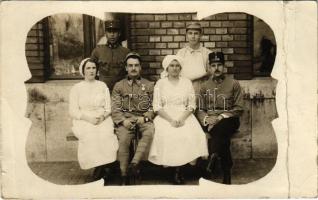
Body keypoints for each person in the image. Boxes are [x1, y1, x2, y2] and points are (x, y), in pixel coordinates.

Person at [149, 55, 208, 185]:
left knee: (188, 133)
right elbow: (157, 106)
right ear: (167, 68)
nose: (175, 68)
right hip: (165, 115)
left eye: (177, 66)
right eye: (172, 66)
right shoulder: (160, 83)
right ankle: (170, 168)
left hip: (184, 114)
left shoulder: (186, 82)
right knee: (166, 134)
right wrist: (171, 120)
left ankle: (179, 170)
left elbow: (192, 105)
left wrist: (181, 118)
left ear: (180, 68)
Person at [69, 58, 119, 186]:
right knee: (90, 134)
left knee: (105, 134)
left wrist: (102, 117)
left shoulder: (102, 86)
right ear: (83, 71)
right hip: (84, 119)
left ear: (97, 70)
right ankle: (100, 169)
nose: (91, 71)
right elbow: (73, 111)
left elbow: (109, 107)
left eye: (93, 68)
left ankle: (101, 170)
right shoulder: (77, 88)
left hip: (102, 117)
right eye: (88, 68)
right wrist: (89, 119)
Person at [196, 52, 244, 184]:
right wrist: (207, 119)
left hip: (229, 119)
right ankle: (226, 171)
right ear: (209, 68)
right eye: (213, 65)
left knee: (221, 127)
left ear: (224, 67)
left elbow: (239, 108)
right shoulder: (204, 86)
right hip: (210, 120)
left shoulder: (234, 84)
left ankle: (212, 156)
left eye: (219, 65)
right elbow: (200, 108)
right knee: (222, 137)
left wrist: (220, 117)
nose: (216, 68)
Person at [111, 52, 155, 185]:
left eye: (136, 65)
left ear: (140, 67)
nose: (133, 68)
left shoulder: (149, 85)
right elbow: (115, 107)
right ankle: (124, 174)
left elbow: (154, 105)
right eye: (130, 66)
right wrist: (123, 121)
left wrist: (146, 118)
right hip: (125, 119)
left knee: (149, 131)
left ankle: (134, 163)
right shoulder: (119, 86)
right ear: (126, 68)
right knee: (124, 139)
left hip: (142, 119)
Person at [91, 20, 130, 91]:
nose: (112, 34)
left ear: (119, 33)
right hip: (102, 89)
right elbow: (92, 71)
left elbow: (129, 73)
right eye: (109, 31)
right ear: (105, 33)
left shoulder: (126, 52)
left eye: (115, 31)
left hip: (121, 90)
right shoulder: (97, 51)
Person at [173, 22, 211, 93]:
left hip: (202, 90)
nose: (193, 36)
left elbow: (210, 74)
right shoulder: (181, 53)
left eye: (196, 33)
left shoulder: (207, 53)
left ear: (200, 35)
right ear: (186, 35)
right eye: (190, 33)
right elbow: (175, 72)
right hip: (183, 89)